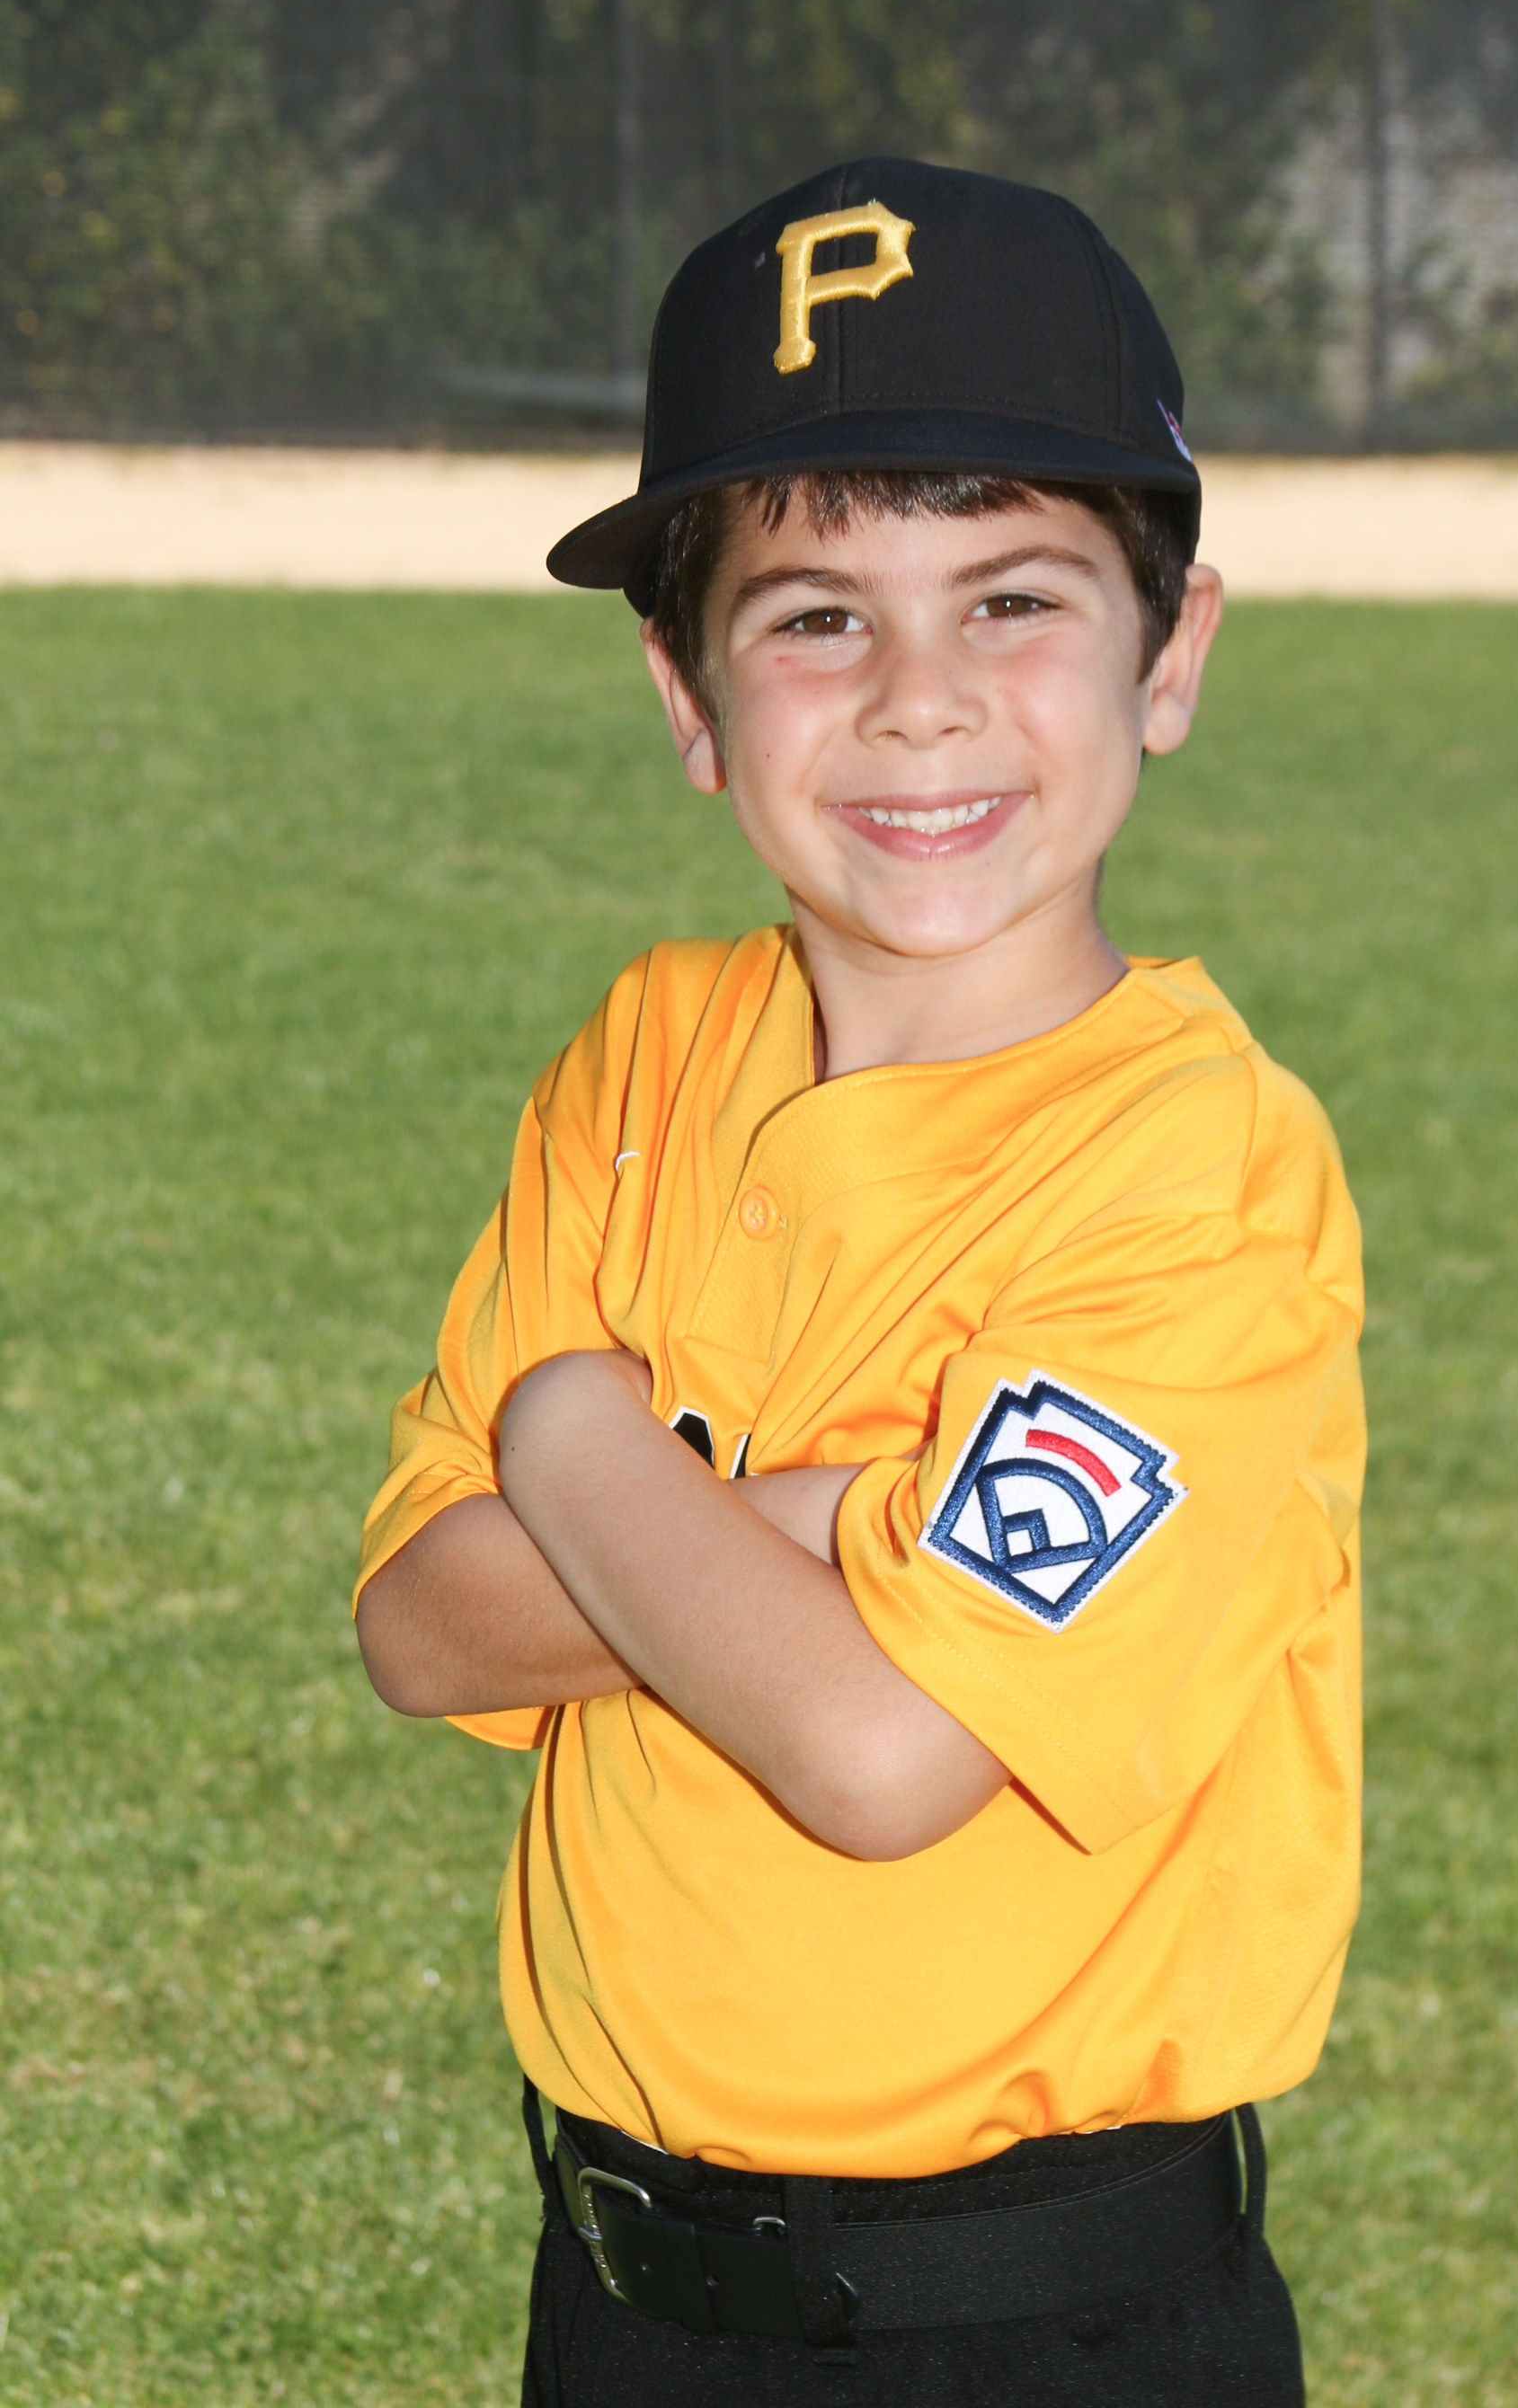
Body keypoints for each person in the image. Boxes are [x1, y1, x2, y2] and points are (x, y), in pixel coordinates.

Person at [354, 157, 1363, 2407]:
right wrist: (831, 1523)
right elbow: (421, 1621)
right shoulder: (645, 1057)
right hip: (623, 2295)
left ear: (1170, 652)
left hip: (1045, 2321)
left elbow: (881, 1743)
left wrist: (576, 1428)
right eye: (815, 616)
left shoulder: (1195, 1171)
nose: (920, 701)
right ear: (689, 693)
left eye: (1012, 598)